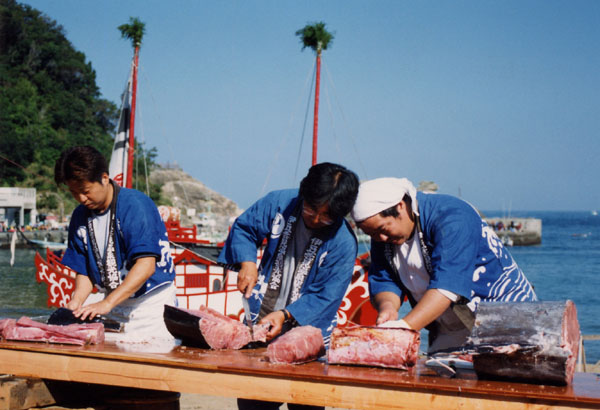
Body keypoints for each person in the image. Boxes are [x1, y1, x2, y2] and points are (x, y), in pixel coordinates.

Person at [218, 162, 359, 410]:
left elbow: (327, 296)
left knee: (306, 403)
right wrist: (248, 262)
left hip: (309, 335)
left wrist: (286, 315)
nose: (316, 219)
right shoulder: (280, 202)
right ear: (303, 193)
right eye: (312, 209)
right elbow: (244, 228)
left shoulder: (344, 242)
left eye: (326, 216)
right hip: (260, 323)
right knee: (254, 403)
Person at [351, 177, 537, 353]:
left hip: (505, 320)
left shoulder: (452, 217)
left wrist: (404, 328)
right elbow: (385, 279)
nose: (380, 238)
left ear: (400, 206)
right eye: (372, 234)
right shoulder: (382, 236)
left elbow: (447, 286)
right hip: (448, 326)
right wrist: (388, 309)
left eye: (382, 230)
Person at [55, 146, 176, 341]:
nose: (81, 199)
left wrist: (107, 303)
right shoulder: (79, 216)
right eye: (74, 192)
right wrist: (76, 301)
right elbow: (84, 270)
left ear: (104, 178)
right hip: (112, 302)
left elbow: (146, 265)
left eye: (85, 191)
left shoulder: (135, 205)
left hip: (150, 304)